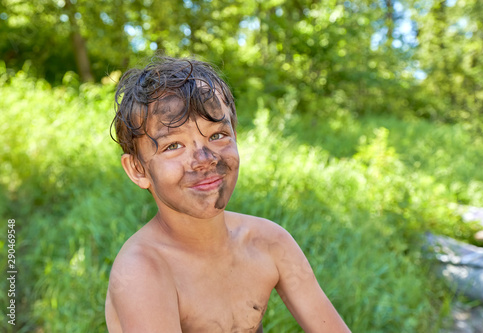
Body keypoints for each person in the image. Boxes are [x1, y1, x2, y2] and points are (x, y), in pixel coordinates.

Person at [105, 56, 351, 333]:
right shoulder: (143, 272)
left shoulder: (269, 242)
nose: (204, 159)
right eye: (174, 145)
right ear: (137, 169)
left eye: (216, 135)